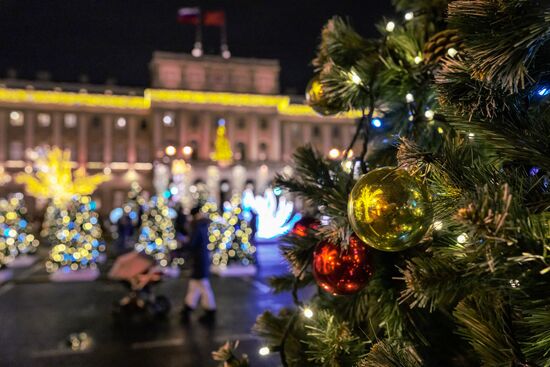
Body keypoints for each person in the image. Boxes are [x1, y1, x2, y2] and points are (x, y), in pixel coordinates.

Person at [181, 205, 216, 324]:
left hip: (199, 260)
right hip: (201, 259)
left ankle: (210, 310)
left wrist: (183, 243)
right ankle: (188, 307)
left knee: (203, 285)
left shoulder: (197, 225)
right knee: (195, 285)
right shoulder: (202, 224)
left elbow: (193, 243)